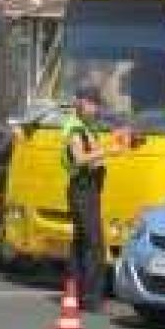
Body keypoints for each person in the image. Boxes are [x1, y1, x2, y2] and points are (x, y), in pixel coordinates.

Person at [62, 86, 119, 313]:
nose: (96, 109)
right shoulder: (75, 128)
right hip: (83, 190)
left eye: (97, 104)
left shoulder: (85, 127)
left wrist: (111, 148)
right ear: (82, 103)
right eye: (92, 104)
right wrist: (106, 152)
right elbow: (79, 159)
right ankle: (92, 298)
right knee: (94, 244)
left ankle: (75, 292)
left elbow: (91, 158)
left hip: (86, 189)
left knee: (80, 242)